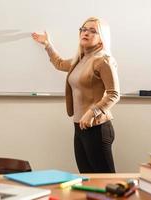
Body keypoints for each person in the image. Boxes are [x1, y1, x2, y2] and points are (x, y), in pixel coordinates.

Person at [32, 17, 120, 173]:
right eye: (84, 29)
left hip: (97, 127)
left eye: (93, 31)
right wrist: (47, 45)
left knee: (106, 182)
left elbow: (114, 94)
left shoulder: (103, 61)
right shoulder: (80, 60)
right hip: (79, 126)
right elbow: (59, 63)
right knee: (87, 180)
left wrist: (93, 111)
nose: (86, 33)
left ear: (101, 39)